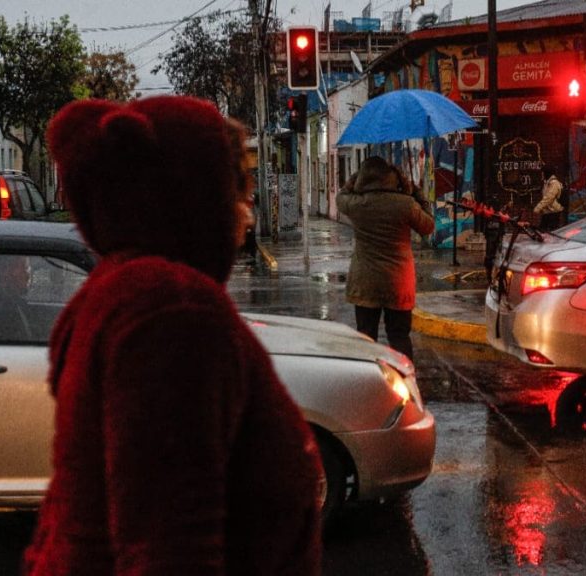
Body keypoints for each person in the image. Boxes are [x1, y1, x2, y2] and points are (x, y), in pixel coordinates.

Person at [24, 96, 322, 575]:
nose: (246, 217)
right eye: (236, 194)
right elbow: (171, 546)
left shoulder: (117, 292)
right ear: (191, 196)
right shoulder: (171, 309)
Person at [337, 156, 434, 361]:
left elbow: (341, 196)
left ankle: (368, 380)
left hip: (365, 283)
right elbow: (428, 226)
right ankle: (403, 380)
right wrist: (416, 193)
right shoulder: (405, 204)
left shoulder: (356, 203)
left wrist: (353, 180)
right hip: (398, 282)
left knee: (365, 336)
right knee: (399, 336)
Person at [533, 165, 564, 231]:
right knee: (542, 231)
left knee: (550, 232)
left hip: (553, 212)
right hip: (548, 212)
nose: (541, 174)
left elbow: (548, 198)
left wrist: (538, 208)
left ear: (547, 173)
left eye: (542, 173)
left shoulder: (554, 183)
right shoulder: (547, 183)